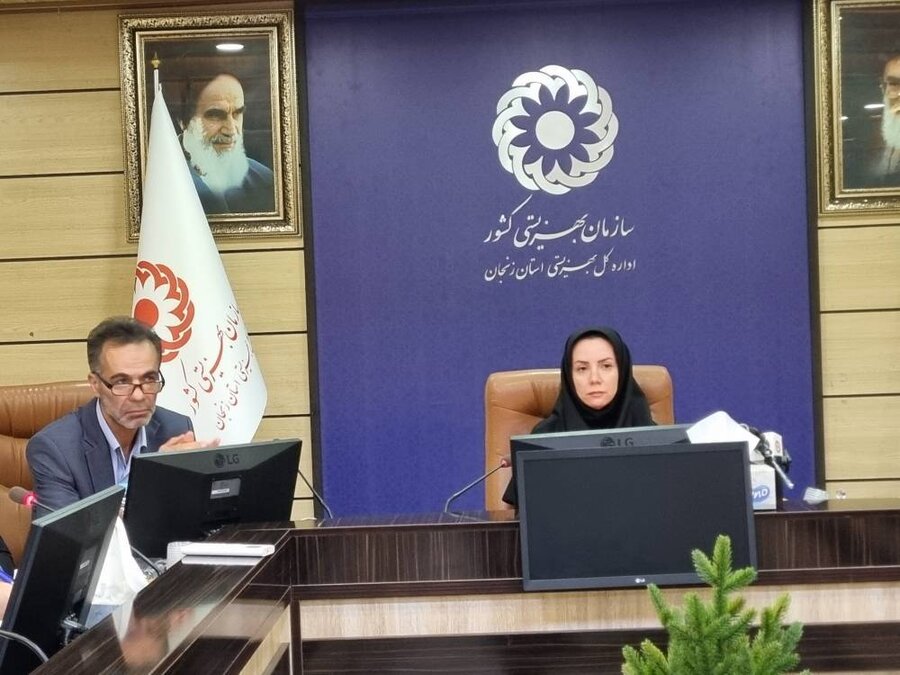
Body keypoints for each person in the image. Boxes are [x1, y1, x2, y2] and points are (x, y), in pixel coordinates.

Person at [26, 317, 219, 515]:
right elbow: (66, 531)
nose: (138, 396)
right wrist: (152, 476)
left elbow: (185, 518)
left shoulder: (175, 429)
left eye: (149, 379)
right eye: (122, 382)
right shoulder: (55, 449)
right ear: (95, 384)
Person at [501, 326, 654, 506]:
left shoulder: (657, 439)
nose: (594, 379)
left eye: (606, 366)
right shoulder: (542, 440)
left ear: (622, 370)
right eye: (582, 369)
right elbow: (523, 515)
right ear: (569, 375)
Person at [174, 73, 276, 215]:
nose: (231, 130)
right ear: (183, 121)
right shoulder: (159, 181)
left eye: (237, 114)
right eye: (216, 115)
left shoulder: (265, 180)